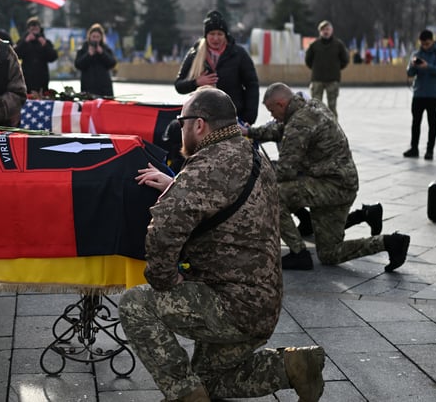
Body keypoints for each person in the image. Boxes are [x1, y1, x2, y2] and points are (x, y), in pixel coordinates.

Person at [121, 86, 325, 402]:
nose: (180, 129)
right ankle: (295, 366)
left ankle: (186, 397)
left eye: (181, 122)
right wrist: (177, 185)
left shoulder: (206, 165)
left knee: (135, 304)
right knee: (210, 380)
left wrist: (167, 280)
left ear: (199, 124)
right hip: (262, 303)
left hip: (230, 304)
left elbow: (162, 232)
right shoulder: (250, 153)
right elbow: (222, 196)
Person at [243, 83, 410, 271]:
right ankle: (390, 242)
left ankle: (299, 253)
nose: (272, 116)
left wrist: (256, 176)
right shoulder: (311, 106)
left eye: (272, 111)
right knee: (330, 253)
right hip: (342, 183)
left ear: (281, 104)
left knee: (271, 195)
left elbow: (285, 171)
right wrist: (250, 132)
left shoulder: (299, 123)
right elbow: (280, 129)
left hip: (330, 186)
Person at [174, 10, 259, 125]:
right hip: (203, 117)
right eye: (212, 34)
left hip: (232, 116)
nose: (216, 38)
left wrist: (249, 118)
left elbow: (252, 85)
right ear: (206, 35)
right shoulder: (195, 53)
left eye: (220, 34)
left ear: (225, 35)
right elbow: (179, 85)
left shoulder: (238, 54)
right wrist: (196, 82)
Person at [404, 29, 436, 160]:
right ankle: (414, 148)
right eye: (422, 44)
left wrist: (427, 66)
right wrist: (412, 65)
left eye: (427, 44)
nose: (425, 46)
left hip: (434, 94)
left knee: (432, 122)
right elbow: (410, 73)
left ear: (432, 41)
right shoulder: (417, 53)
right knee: (415, 122)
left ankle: (430, 150)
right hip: (419, 93)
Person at [305, 20, 349, 117]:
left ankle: (333, 126)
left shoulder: (338, 45)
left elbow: (345, 59)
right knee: (315, 106)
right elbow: (308, 60)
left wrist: (336, 68)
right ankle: (316, 125)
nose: (326, 31)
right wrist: (316, 69)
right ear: (320, 31)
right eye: (323, 29)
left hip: (332, 79)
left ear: (331, 31)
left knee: (332, 107)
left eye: (327, 29)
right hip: (317, 79)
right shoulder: (314, 45)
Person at [14, 16, 57, 93]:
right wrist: (25, 42)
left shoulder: (45, 42)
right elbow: (15, 54)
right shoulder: (23, 41)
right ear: (28, 30)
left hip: (42, 77)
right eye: (32, 29)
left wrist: (45, 45)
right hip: (27, 78)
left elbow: (53, 57)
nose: (34, 31)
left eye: (36, 29)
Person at [74, 22, 116, 97]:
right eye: (93, 37)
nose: (95, 39)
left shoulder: (106, 48)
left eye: (98, 37)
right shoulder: (83, 49)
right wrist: (88, 55)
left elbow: (112, 63)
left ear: (101, 37)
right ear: (89, 36)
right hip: (88, 88)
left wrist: (102, 53)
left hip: (104, 88)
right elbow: (78, 64)